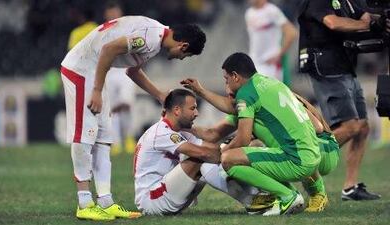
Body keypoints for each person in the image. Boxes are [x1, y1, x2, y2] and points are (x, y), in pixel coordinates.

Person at [60, 15, 206, 221]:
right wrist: (97, 90)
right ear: (183, 46)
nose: (181, 59)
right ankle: (84, 202)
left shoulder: (155, 38)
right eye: (186, 55)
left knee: (103, 138)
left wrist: (159, 95)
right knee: (84, 135)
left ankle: (106, 202)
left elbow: (132, 71)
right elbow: (108, 50)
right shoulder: (150, 38)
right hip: (81, 69)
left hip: (94, 71)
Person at [181, 52, 321, 216]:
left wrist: (222, 154)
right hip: (312, 157)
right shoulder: (269, 83)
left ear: (235, 76)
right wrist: (201, 90)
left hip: (295, 159)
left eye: (226, 80)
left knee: (229, 160)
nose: (226, 86)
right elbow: (229, 110)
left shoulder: (246, 94)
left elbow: (242, 139)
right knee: (246, 153)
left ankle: (287, 196)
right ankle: (286, 194)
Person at [297, 0, 383, 201]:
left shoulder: (347, 1)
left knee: (362, 127)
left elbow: (366, 14)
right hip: (326, 66)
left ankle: (350, 188)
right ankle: (299, 161)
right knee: (350, 126)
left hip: (345, 66)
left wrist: (375, 20)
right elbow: (333, 23)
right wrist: (364, 24)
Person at [134, 89, 262, 215]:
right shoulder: (162, 132)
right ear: (177, 110)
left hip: (164, 191)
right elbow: (205, 154)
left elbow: (211, 149)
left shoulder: (179, 130)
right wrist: (235, 147)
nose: (196, 113)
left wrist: (230, 146)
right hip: (152, 200)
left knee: (208, 161)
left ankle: (257, 196)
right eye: (192, 108)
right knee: (202, 160)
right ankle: (252, 200)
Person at [103, 1, 137, 155]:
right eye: (111, 13)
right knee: (112, 108)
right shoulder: (103, 32)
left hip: (124, 71)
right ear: (106, 15)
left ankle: (129, 137)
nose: (113, 15)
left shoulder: (128, 29)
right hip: (110, 72)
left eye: (116, 12)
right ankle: (116, 141)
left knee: (127, 105)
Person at [245, 0, 297, 82]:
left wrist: (279, 54)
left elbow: (291, 32)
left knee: (268, 94)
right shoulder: (249, 13)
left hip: (269, 65)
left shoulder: (272, 11)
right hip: (254, 63)